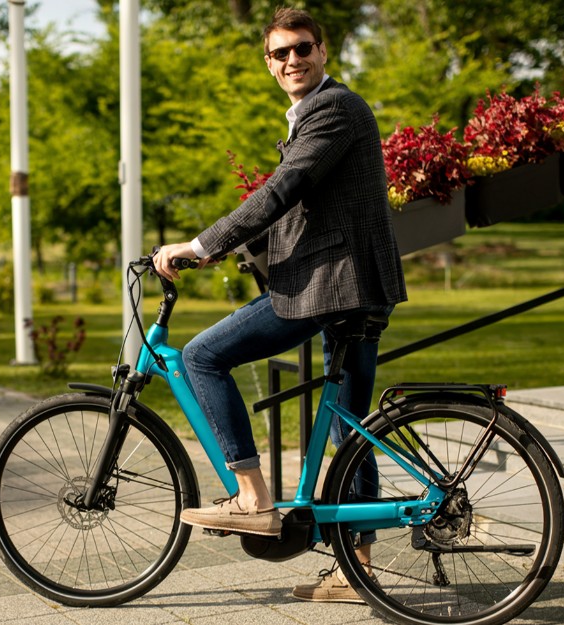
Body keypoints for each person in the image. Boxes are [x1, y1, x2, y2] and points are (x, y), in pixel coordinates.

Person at [152, 7, 406, 603]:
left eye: (303, 48)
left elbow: (282, 190)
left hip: (333, 288)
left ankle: (253, 498)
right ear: (269, 64)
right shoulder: (316, 115)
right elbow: (304, 206)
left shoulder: (334, 109)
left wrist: (203, 243)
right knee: (353, 431)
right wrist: (233, 251)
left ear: (324, 52)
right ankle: (357, 571)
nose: (293, 59)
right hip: (351, 285)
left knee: (201, 356)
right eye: (281, 53)